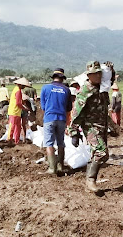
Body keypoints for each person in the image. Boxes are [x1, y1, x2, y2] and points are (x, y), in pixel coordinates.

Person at [68, 61, 110, 193]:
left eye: (99, 73)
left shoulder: (102, 88)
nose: (97, 76)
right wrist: (74, 132)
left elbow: (104, 109)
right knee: (101, 152)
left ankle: (90, 180)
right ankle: (90, 181)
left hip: (102, 126)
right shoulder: (85, 90)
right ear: (89, 75)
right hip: (91, 126)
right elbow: (76, 113)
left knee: (101, 155)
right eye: (94, 74)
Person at [40, 68, 72, 174]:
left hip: (49, 118)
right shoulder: (67, 90)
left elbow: (43, 106)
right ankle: (60, 166)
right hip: (62, 119)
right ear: (62, 79)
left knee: (49, 143)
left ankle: (52, 168)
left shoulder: (45, 88)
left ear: (53, 77)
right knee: (60, 142)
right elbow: (69, 108)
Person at [7, 77, 30, 144]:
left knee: (18, 127)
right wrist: (25, 108)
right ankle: (9, 140)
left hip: (17, 112)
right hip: (14, 111)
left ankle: (16, 141)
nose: (24, 87)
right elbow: (18, 103)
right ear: (20, 84)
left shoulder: (16, 89)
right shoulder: (18, 91)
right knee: (13, 126)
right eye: (24, 86)